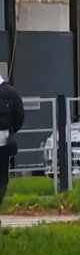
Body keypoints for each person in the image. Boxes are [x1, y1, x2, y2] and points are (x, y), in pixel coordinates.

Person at [0, 68, 24, 219]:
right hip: (4, 141)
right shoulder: (12, 93)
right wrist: (10, 131)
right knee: (2, 176)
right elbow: (19, 116)